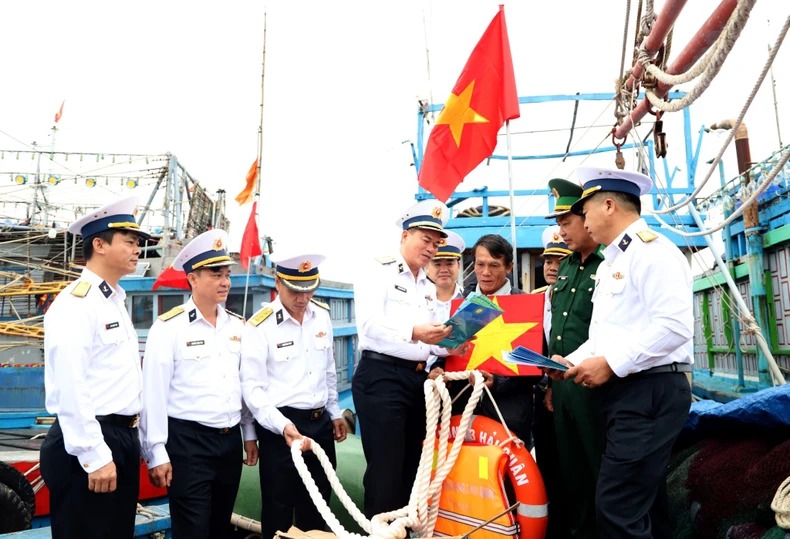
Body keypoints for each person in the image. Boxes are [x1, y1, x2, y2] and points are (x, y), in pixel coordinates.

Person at [557, 166, 694, 539]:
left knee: (617, 507)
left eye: (584, 210)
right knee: (645, 505)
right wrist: (571, 361)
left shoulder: (653, 252)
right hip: (627, 393)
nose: (582, 220)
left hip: (649, 391)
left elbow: (675, 327)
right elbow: (608, 334)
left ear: (608, 205)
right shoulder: (612, 263)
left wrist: (612, 364)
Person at [40, 196, 151, 538]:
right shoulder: (77, 303)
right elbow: (70, 385)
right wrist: (93, 454)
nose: (137, 249)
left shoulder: (113, 300)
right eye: (129, 241)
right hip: (90, 440)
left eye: (138, 242)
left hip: (120, 437)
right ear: (99, 245)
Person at [139, 229, 258, 539]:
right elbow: (153, 395)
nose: (225, 282)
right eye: (216, 274)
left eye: (227, 274)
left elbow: (243, 386)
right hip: (187, 445)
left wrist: (248, 433)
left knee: (220, 529)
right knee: (192, 530)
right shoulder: (169, 328)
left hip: (228, 444)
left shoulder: (238, 327)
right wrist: (156, 452)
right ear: (192, 278)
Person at [352, 199, 457, 518]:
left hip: (416, 381)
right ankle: (380, 532)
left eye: (436, 243)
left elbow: (428, 341)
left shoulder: (426, 285)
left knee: (413, 469)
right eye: (426, 240)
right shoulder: (378, 271)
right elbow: (369, 324)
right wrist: (415, 331)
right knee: (386, 472)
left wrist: (450, 346)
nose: (431, 249)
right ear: (405, 236)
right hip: (382, 378)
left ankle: (405, 532)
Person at [240, 253, 348, 539]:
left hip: (319, 425)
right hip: (280, 427)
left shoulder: (321, 315)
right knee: (279, 511)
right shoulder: (259, 326)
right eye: (295, 291)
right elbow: (252, 389)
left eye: (309, 290)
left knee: (318, 508)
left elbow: (328, 369)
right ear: (278, 282)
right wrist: (281, 425)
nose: (303, 298)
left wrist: (334, 411)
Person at [546, 177, 607, 539]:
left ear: (586, 219)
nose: (562, 232)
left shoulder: (609, 263)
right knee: (570, 470)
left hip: (596, 384)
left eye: (566, 222)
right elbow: (558, 327)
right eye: (559, 224)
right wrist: (551, 387)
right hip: (563, 386)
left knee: (599, 465)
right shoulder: (567, 266)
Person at [461, 233, 540, 445]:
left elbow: (535, 367)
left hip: (509, 415)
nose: (485, 272)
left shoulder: (527, 305)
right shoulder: (461, 303)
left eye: (494, 265)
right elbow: (449, 353)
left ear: (509, 267)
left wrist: (498, 383)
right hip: (464, 413)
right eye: (480, 264)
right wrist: (438, 368)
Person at [529, 224, 570, 539]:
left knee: (573, 463)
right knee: (547, 462)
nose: (552, 267)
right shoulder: (533, 301)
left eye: (559, 260)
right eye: (548, 261)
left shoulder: (578, 299)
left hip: (573, 389)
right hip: (540, 394)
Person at [425, 230, 466, 373]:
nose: (444, 270)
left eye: (449, 264)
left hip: (460, 375)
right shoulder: (415, 300)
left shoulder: (468, 301)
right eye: (437, 264)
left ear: (458, 266)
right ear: (426, 267)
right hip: (420, 374)